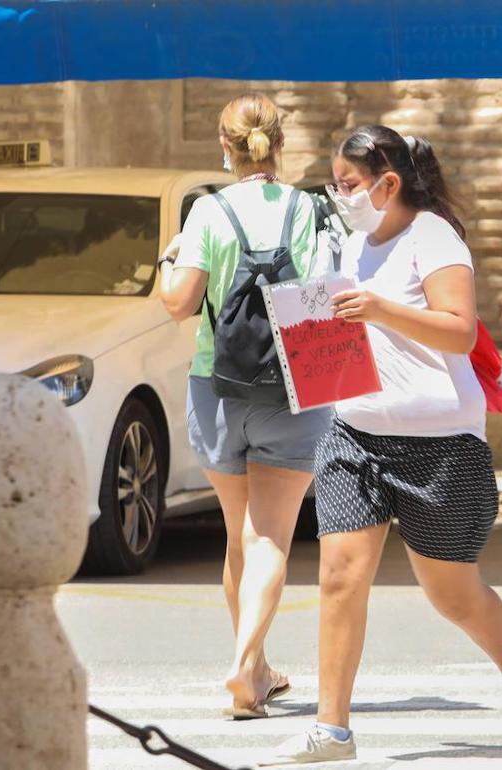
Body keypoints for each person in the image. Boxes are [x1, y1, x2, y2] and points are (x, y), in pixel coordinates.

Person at [276, 124, 502, 763]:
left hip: (440, 446)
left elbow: (459, 331)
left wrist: (379, 309)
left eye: (348, 184)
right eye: (334, 184)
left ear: (388, 184)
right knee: (339, 575)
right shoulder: (355, 244)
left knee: (453, 596)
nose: (339, 196)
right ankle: (332, 729)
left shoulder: (432, 236)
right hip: (354, 436)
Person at [158, 93, 333, 719]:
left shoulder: (207, 211)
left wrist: (169, 257)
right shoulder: (309, 209)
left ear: (223, 147)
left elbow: (178, 303)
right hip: (291, 387)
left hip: (216, 386)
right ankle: (245, 664)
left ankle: (252, 672)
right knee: (270, 537)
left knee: (240, 534)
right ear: (280, 144)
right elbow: (324, 298)